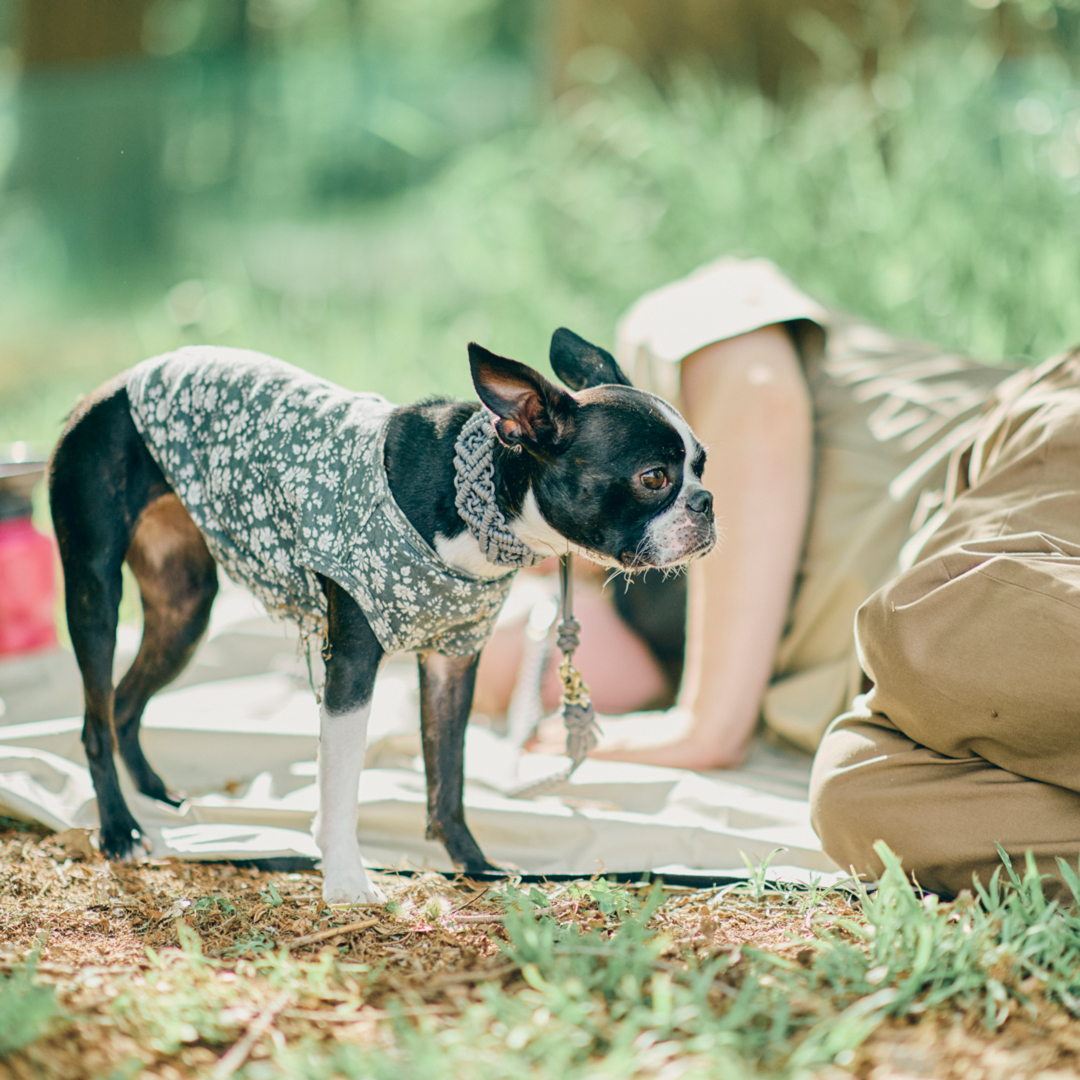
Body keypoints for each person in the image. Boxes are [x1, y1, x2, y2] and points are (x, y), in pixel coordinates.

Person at [478, 256, 1080, 898]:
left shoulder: (657, 354)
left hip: (1028, 480)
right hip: (940, 686)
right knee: (857, 799)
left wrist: (707, 721)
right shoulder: (659, 627)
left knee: (927, 628)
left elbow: (754, 384)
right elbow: (522, 672)